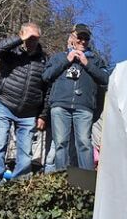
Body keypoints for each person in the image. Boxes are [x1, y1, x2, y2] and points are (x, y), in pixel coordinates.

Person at [0, 23, 47, 186]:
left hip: (28, 112)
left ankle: (17, 186)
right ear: (21, 35)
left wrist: (42, 114)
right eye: (29, 37)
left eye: (35, 38)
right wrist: (20, 39)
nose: (32, 41)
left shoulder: (44, 59)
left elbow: (47, 88)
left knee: (26, 154)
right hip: (3, 103)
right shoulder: (11, 52)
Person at [43, 23, 110, 173]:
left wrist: (87, 64)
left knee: (85, 143)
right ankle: (61, 176)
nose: (83, 41)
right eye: (80, 37)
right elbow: (46, 76)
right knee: (60, 143)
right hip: (60, 106)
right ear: (72, 37)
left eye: (86, 38)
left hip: (84, 107)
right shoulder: (59, 57)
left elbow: (106, 79)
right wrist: (67, 60)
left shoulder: (96, 60)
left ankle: (87, 179)